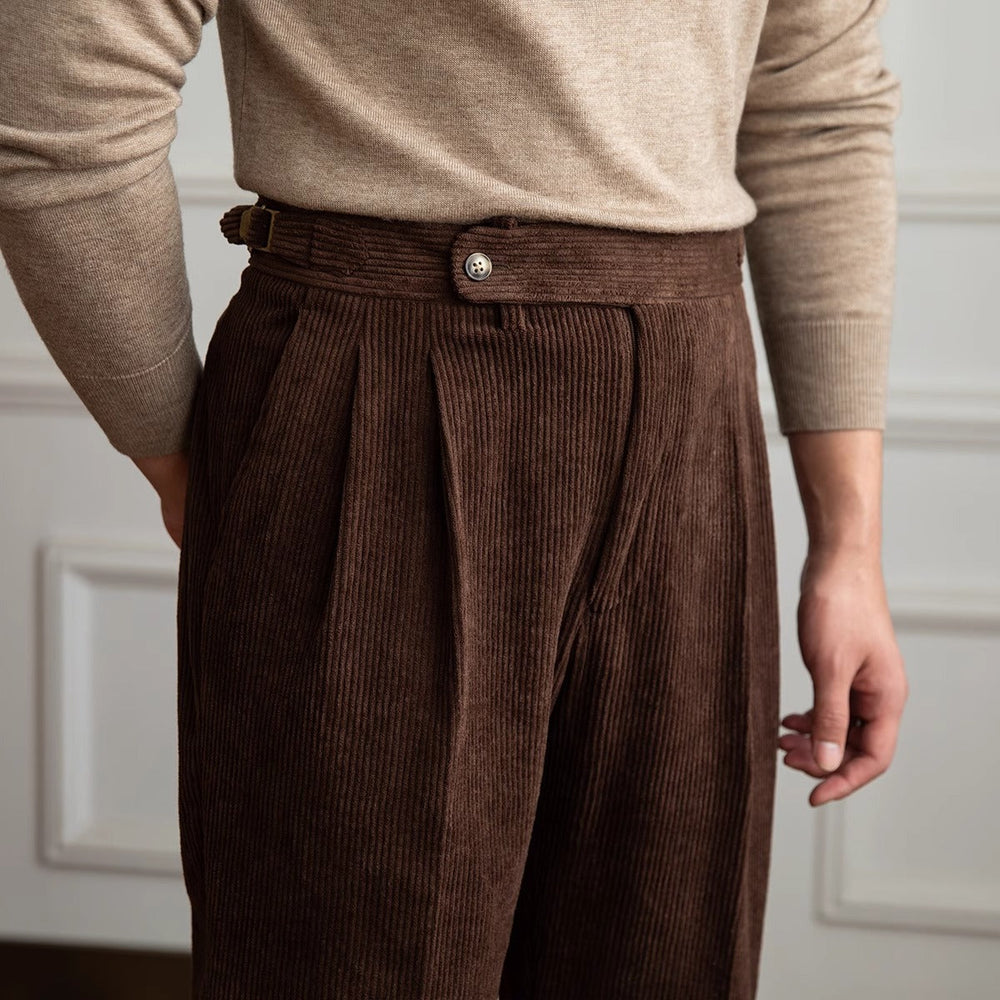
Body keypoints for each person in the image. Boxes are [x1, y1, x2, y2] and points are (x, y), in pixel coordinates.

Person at [0, 1, 910, 997]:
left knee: (666, 954)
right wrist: (182, 457)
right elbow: (64, 88)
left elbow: (817, 108)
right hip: (376, 391)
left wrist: (849, 546)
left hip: (695, 413)